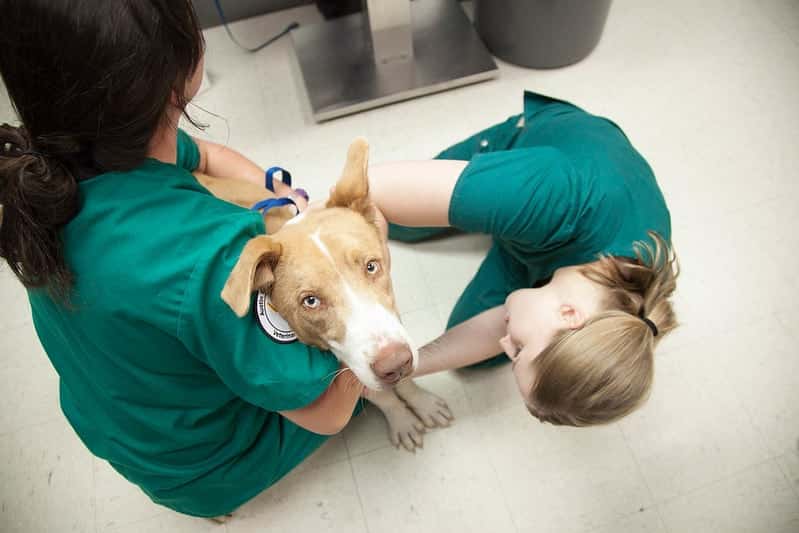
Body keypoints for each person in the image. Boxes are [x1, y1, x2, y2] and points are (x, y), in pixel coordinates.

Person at [0, 0, 363, 518]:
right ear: (181, 73)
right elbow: (327, 414)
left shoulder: (50, 167)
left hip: (133, 439)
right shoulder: (215, 259)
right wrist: (368, 316)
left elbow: (208, 157)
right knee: (366, 372)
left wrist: (285, 201)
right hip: (211, 470)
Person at [367, 91, 679, 426]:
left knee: (473, 359)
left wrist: (407, 366)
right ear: (570, 314)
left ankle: (503, 225)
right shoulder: (552, 194)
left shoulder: (621, 313)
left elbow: (500, 332)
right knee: (400, 224)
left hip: (544, 238)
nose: (505, 342)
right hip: (528, 155)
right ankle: (495, 206)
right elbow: (369, 187)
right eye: (519, 348)